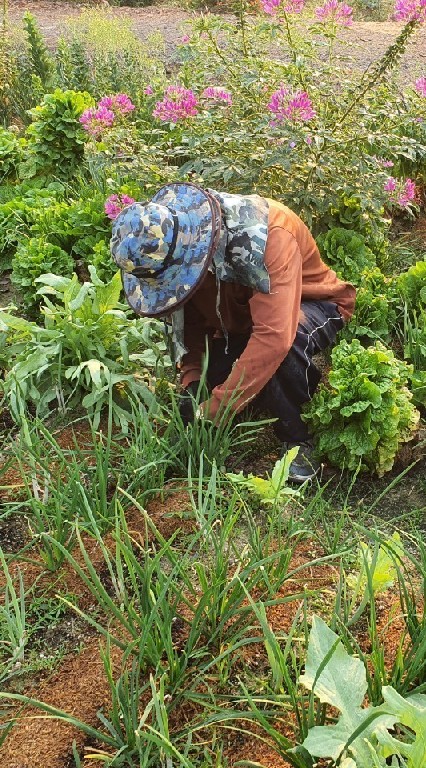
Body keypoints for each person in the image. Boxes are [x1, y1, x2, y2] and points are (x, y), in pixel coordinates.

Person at [110, 182, 356, 482]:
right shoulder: (176, 251)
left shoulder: (270, 235)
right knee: (214, 373)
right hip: (241, 318)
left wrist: (218, 408)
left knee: (283, 349)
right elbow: (188, 320)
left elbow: (273, 336)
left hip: (310, 303)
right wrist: (194, 382)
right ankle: (253, 395)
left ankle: (298, 437)